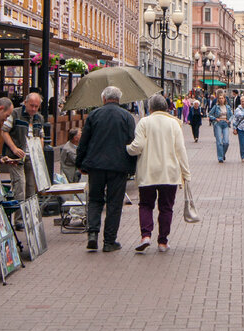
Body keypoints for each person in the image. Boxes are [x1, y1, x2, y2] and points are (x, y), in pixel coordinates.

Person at [126, 94, 191, 253]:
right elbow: (180, 150)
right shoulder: (174, 124)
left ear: (151, 108)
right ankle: (163, 241)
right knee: (166, 207)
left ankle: (146, 235)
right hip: (169, 173)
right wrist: (186, 173)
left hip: (148, 172)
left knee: (146, 204)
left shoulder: (144, 122)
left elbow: (137, 146)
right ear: (167, 107)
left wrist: (128, 149)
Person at [76, 86, 136, 253]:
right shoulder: (127, 117)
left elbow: (84, 142)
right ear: (119, 99)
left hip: (96, 165)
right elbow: (132, 143)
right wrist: (131, 168)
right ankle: (109, 241)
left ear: (103, 99)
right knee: (114, 204)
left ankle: (93, 234)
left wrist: (80, 163)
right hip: (119, 166)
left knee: (95, 200)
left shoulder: (94, 115)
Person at [0, 91, 44, 201]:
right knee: (20, 186)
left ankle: (29, 216)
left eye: (36, 106)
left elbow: (41, 137)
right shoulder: (15, 114)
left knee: (31, 187)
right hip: (16, 157)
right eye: (31, 105)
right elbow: (4, 131)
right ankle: (19, 218)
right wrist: (14, 148)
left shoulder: (39, 118)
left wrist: (38, 152)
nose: (34, 109)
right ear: (25, 103)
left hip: (31, 157)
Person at [209, 89, 232, 163]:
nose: (221, 100)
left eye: (222, 98)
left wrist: (229, 120)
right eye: (220, 98)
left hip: (225, 124)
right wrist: (215, 119)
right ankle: (220, 157)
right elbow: (210, 114)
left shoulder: (227, 107)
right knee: (219, 141)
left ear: (224, 99)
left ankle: (222, 154)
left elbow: (232, 115)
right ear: (218, 99)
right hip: (218, 124)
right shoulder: (216, 107)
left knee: (226, 142)